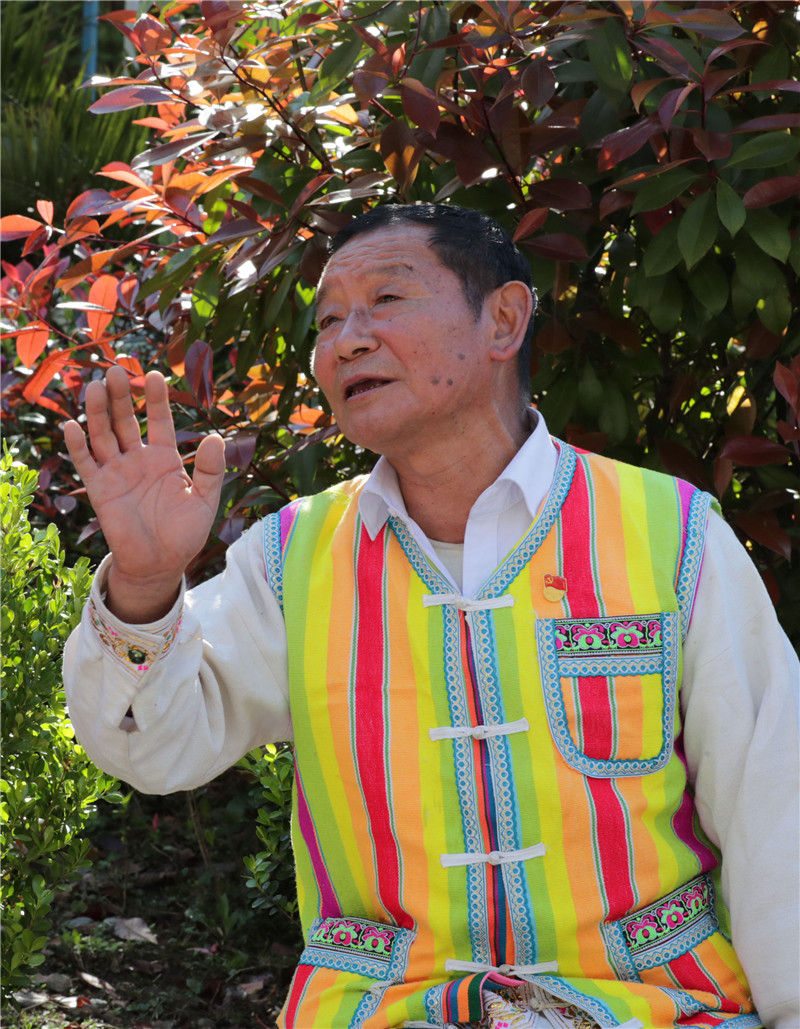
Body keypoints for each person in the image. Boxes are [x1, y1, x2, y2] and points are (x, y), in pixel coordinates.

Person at [63, 204, 799, 1029]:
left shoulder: (672, 533)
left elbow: (776, 806)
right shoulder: (292, 558)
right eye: (329, 320)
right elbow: (153, 744)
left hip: (660, 1011)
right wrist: (145, 581)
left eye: (387, 298)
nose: (347, 341)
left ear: (504, 320)